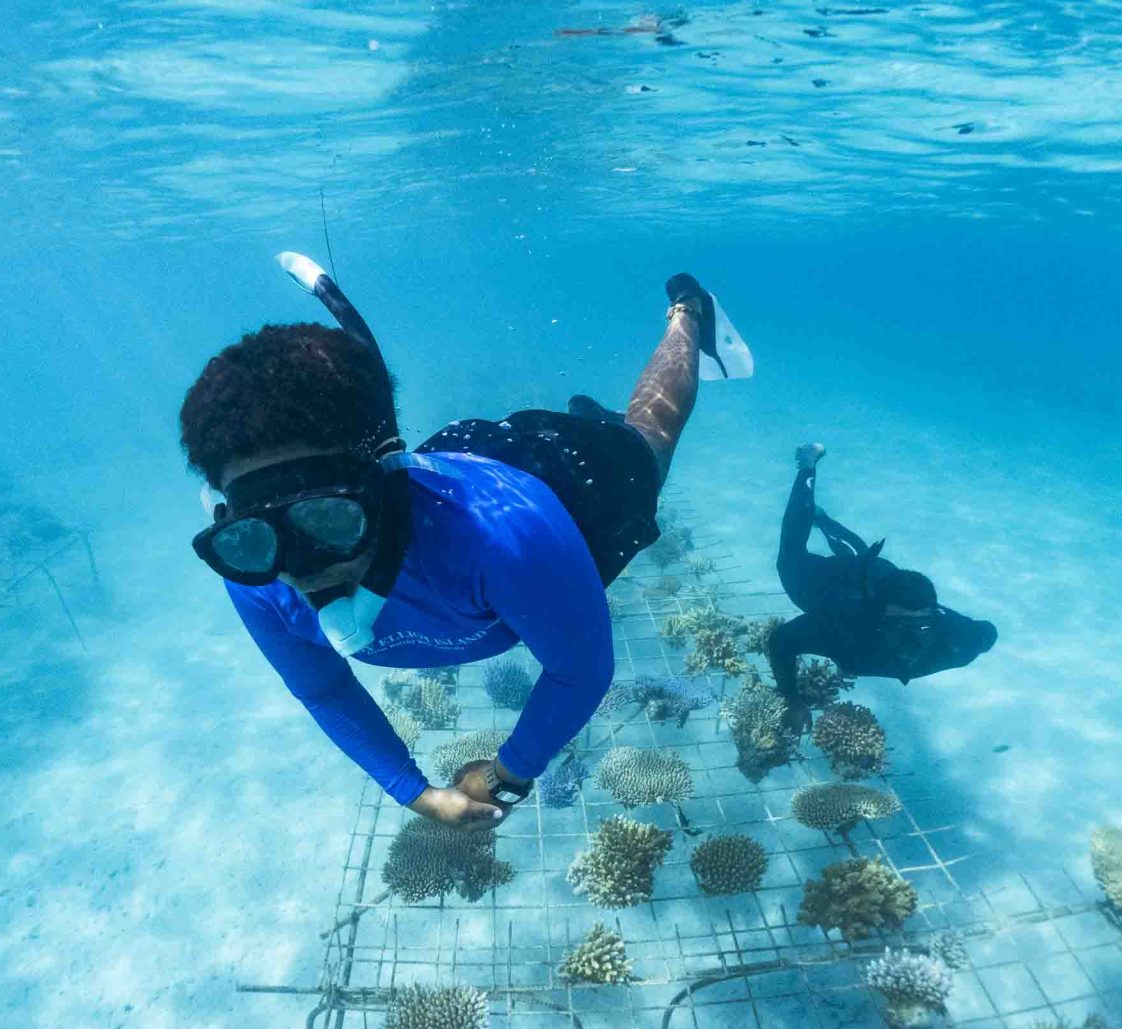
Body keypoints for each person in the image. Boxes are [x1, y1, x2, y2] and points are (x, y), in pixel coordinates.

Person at [179, 257, 748, 831]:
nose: (302, 567)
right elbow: (323, 689)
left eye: (329, 519)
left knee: (649, 437)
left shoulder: (506, 540)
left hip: (566, 488)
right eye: (256, 537)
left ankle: (686, 311)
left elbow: (582, 670)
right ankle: (588, 415)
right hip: (461, 464)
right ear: (227, 520)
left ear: (377, 487)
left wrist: (510, 774)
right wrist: (417, 793)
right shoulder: (251, 569)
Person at [768, 442, 997, 704]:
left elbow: (987, 633)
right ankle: (808, 464)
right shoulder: (840, 625)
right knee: (790, 554)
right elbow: (781, 641)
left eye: (920, 627)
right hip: (826, 584)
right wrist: (793, 703)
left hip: (879, 573)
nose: (910, 642)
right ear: (878, 618)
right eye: (901, 628)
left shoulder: (959, 641)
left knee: (863, 558)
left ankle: (829, 525)